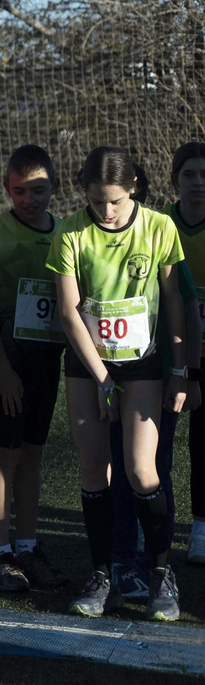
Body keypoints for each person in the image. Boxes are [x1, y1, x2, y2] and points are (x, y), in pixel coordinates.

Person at [56, 147, 189, 621]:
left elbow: (175, 301)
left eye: (114, 201)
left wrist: (180, 368)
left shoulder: (159, 227)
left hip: (142, 366)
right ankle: (103, 574)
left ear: (132, 187)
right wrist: (101, 377)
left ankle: (159, 573)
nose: (106, 212)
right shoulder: (71, 231)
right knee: (95, 471)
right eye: (96, 202)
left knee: (141, 470)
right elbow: (71, 313)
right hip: (88, 364)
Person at [0, 144, 68, 592]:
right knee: (6, 453)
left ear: (54, 186)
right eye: (18, 192)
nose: (29, 200)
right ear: (7, 190)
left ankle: (27, 547)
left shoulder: (68, 234)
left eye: (38, 190)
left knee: (33, 452)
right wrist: (2, 368)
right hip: (7, 363)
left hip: (47, 361)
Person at [172, 142, 205, 564]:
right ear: (175, 180)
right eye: (189, 175)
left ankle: (200, 527)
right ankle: (149, 521)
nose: (199, 183)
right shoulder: (159, 225)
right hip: (168, 353)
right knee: (155, 441)